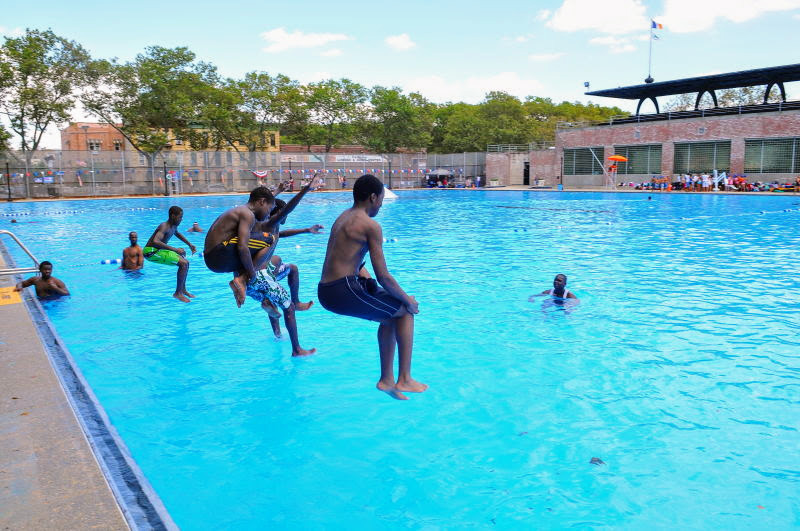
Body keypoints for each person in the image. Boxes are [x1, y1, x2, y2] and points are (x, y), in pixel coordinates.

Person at [318, 174, 426, 400]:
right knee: (405, 312)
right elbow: (384, 276)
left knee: (389, 316)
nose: (380, 205)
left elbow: (350, 260)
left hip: (329, 289)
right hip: (342, 290)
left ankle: (387, 381)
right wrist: (408, 300)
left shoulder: (342, 218)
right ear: (373, 197)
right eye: (381, 200)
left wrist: (370, 285)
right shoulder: (370, 226)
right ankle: (404, 378)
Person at [204, 179, 321, 307]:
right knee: (270, 239)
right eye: (269, 208)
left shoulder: (245, 211)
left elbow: (263, 202)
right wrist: (251, 275)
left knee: (261, 242)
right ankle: (242, 280)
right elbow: (242, 246)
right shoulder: (247, 214)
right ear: (262, 202)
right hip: (219, 254)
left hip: (216, 261)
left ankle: (242, 283)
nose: (268, 213)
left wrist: (277, 192)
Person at [143, 206, 196, 303]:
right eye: (180, 217)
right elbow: (156, 241)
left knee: (186, 262)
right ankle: (177, 293)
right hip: (150, 252)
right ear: (173, 216)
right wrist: (175, 250)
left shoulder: (173, 226)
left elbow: (177, 233)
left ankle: (183, 289)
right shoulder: (164, 226)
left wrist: (189, 244)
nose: (181, 219)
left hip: (159, 250)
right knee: (183, 264)